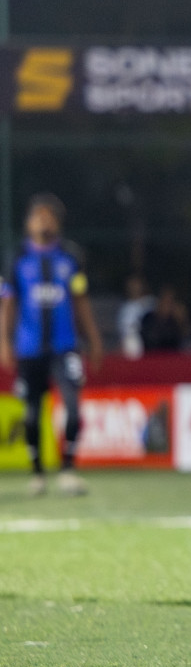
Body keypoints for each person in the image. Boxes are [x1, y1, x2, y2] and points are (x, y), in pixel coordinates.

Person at [0, 194, 103, 496]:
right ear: (28, 222)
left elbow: (80, 300)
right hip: (29, 347)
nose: (44, 221)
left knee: (73, 406)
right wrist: (4, 341)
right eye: (38, 215)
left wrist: (94, 340)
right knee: (31, 412)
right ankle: (37, 473)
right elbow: (8, 303)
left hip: (65, 345)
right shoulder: (16, 257)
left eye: (50, 216)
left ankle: (68, 469)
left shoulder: (71, 257)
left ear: (58, 222)